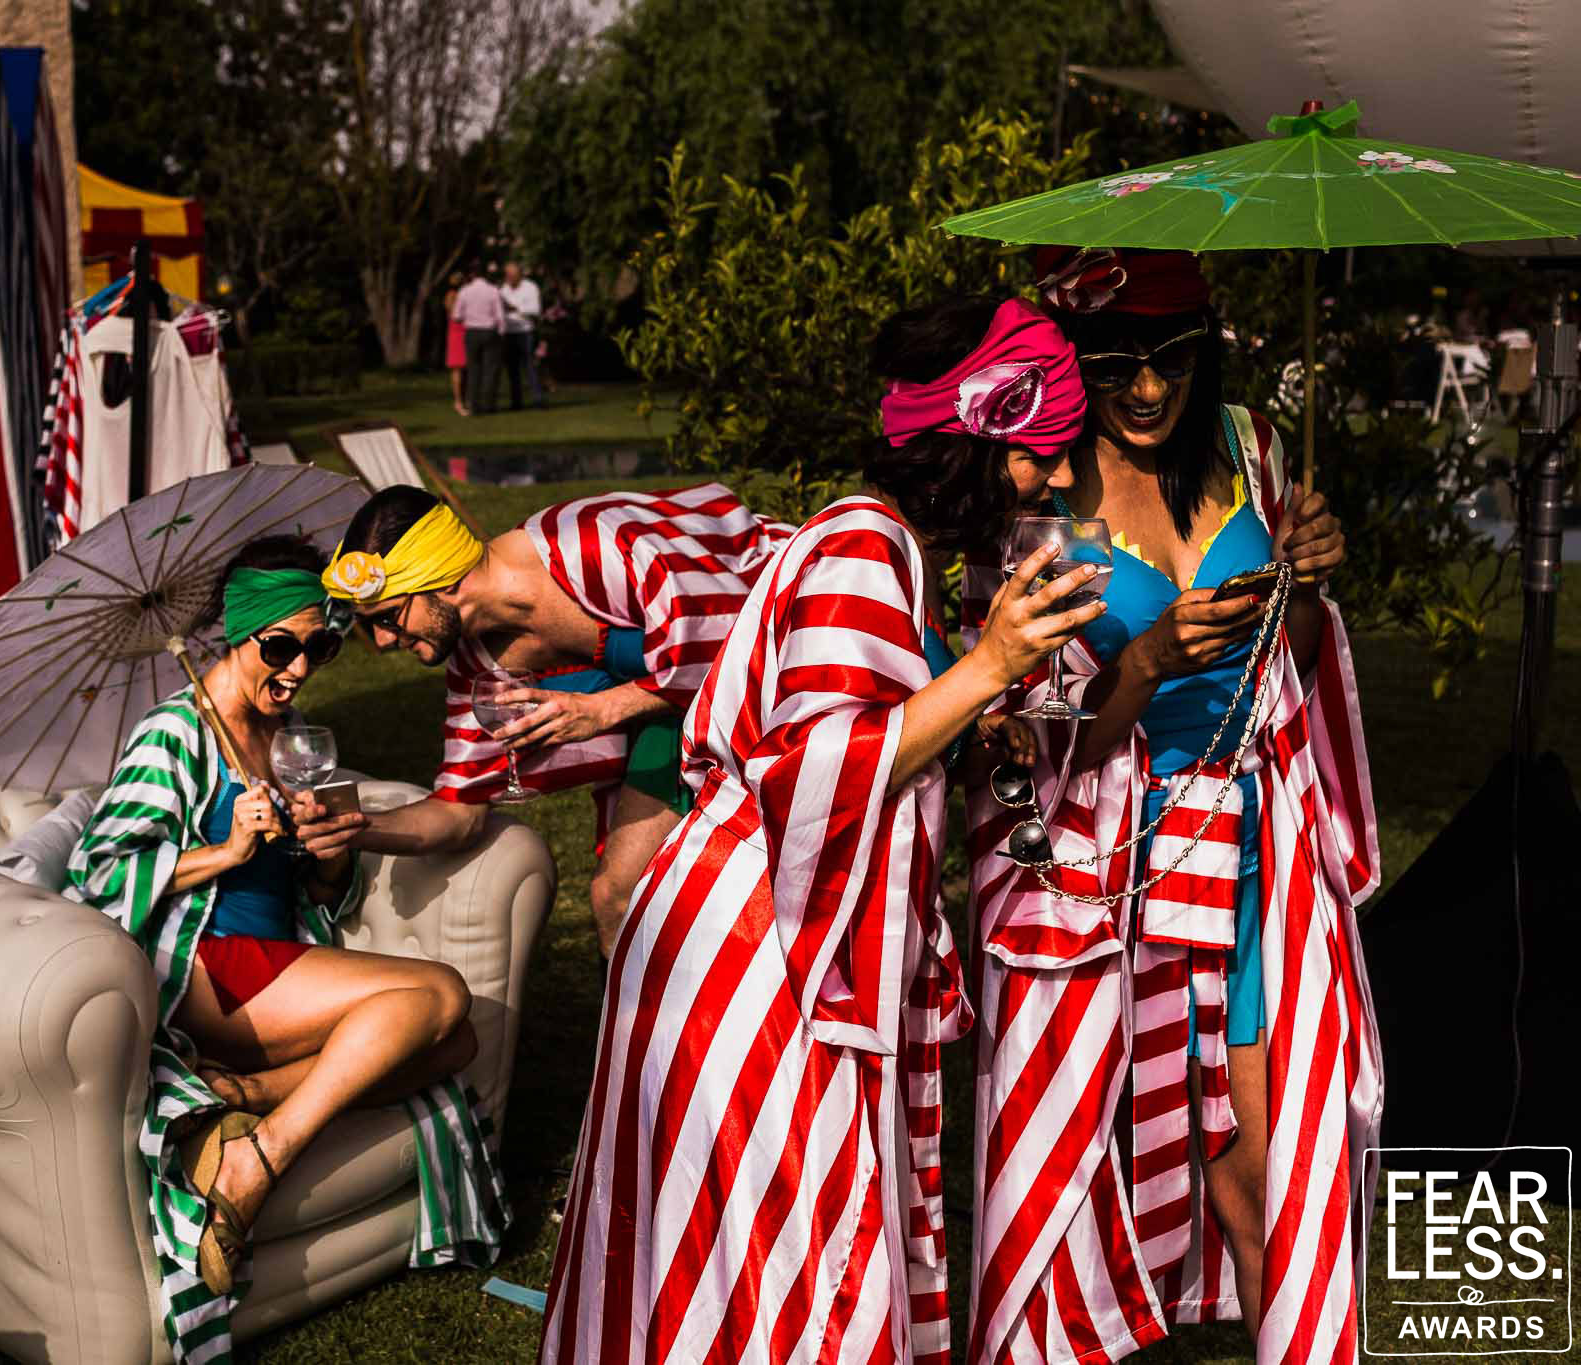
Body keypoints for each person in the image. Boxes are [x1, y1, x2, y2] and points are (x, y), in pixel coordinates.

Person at [540, 295, 1101, 1365]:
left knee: (744, 1245)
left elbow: (862, 740)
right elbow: (811, 771)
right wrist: (988, 668)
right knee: (782, 1243)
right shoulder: (861, 544)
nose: (1061, 480)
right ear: (974, 444)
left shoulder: (872, 542)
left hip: (754, 929)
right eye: (1043, 453)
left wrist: (971, 723)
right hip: (759, 950)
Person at [964, 247, 1380, 1364]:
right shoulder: (1043, 487)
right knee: (1091, 1156)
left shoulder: (1249, 446)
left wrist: (1308, 578)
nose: (1147, 389)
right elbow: (1040, 749)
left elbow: (1276, 664)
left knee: (1263, 1170)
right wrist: (1141, 661)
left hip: (1249, 850)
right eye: (1115, 363)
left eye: (1172, 357)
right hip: (1113, 875)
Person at [66, 536, 506, 1313]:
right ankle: (257, 1157)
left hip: (276, 958)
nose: (300, 667)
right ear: (243, 631)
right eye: (282, 645)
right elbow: (100, 869)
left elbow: (313, 895)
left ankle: (250, 1093)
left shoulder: (292, 733)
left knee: (460, 1041)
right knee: (440, 994)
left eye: (321, 646)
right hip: (209, 969)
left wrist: (329, 854)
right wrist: (222, 849)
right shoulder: (174, 733)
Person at [321, 481, 793, 956]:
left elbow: (738, 641)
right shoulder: (477, 664)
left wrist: (603, 708)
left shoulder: (590, 546)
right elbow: (458, 810)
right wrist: (356, 828)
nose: (382, 643)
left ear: (442, 579)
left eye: (385, 618)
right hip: (675, 719)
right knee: (615, 896)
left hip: (788, 668)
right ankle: (640, 1027)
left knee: (763, 886)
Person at [453, 267, 506, 415]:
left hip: (472, 332)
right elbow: (500, 315)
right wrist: (501, 332)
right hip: (489, 331)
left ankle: (473, 404)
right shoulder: (493, 290)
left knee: (473, 369)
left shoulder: (465, 291)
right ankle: (489, 404)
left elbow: (457, 315)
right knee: (490, 369)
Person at [499, 261, 544, 410]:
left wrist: (515, 308)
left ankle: (538, 400)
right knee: (512, 370)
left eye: (512, 274)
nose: (509, 277)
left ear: (519, 275)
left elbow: (535, 310)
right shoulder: (503, 288)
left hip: (525, 332)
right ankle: (516, 402)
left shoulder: (530, 287)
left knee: (530, 367)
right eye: (507, 274)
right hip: (508, 333)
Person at [443, 271, 470, 417]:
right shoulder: (452, 296)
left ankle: (464, 400)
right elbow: (455, 315)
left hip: (464, 331)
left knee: (465, 369)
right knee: (458, 369)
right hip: (457, 333)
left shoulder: (461, 296)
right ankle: (459, 401)